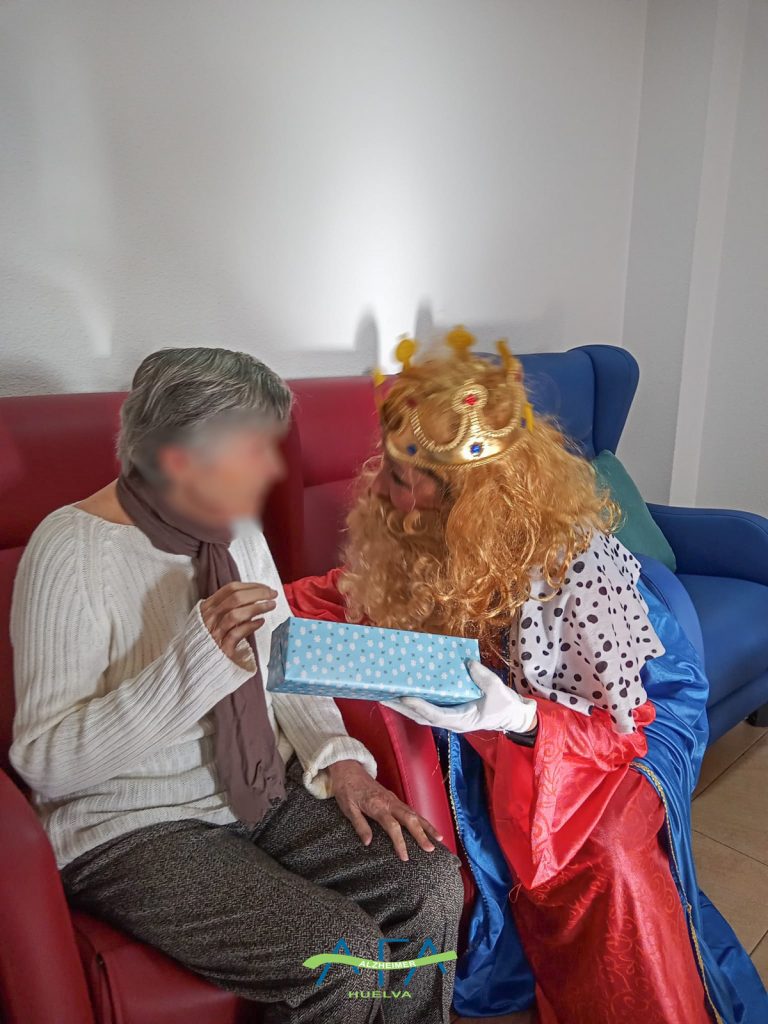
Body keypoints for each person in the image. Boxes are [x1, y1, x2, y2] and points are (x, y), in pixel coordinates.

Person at [285, 328, 768, 1024]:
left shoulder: (574, 572)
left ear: (467, 494)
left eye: (401, 476)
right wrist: (254, 595)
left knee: (607, 861)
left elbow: (623, 729)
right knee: (498, 828)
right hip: (521, 723)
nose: (377, 487)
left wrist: (517, 718)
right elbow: (343, 596)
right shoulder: (413, 530)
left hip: (624, 718)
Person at [10, 346, 464, 1024]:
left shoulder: (235, 529)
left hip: (258, 789)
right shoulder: (69, 550)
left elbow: (285, 660)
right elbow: (46, 764)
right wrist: (194, 663)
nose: (271, 471)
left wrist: (341, 762)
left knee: (428, 883)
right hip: (132, 826)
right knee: (339, 959)